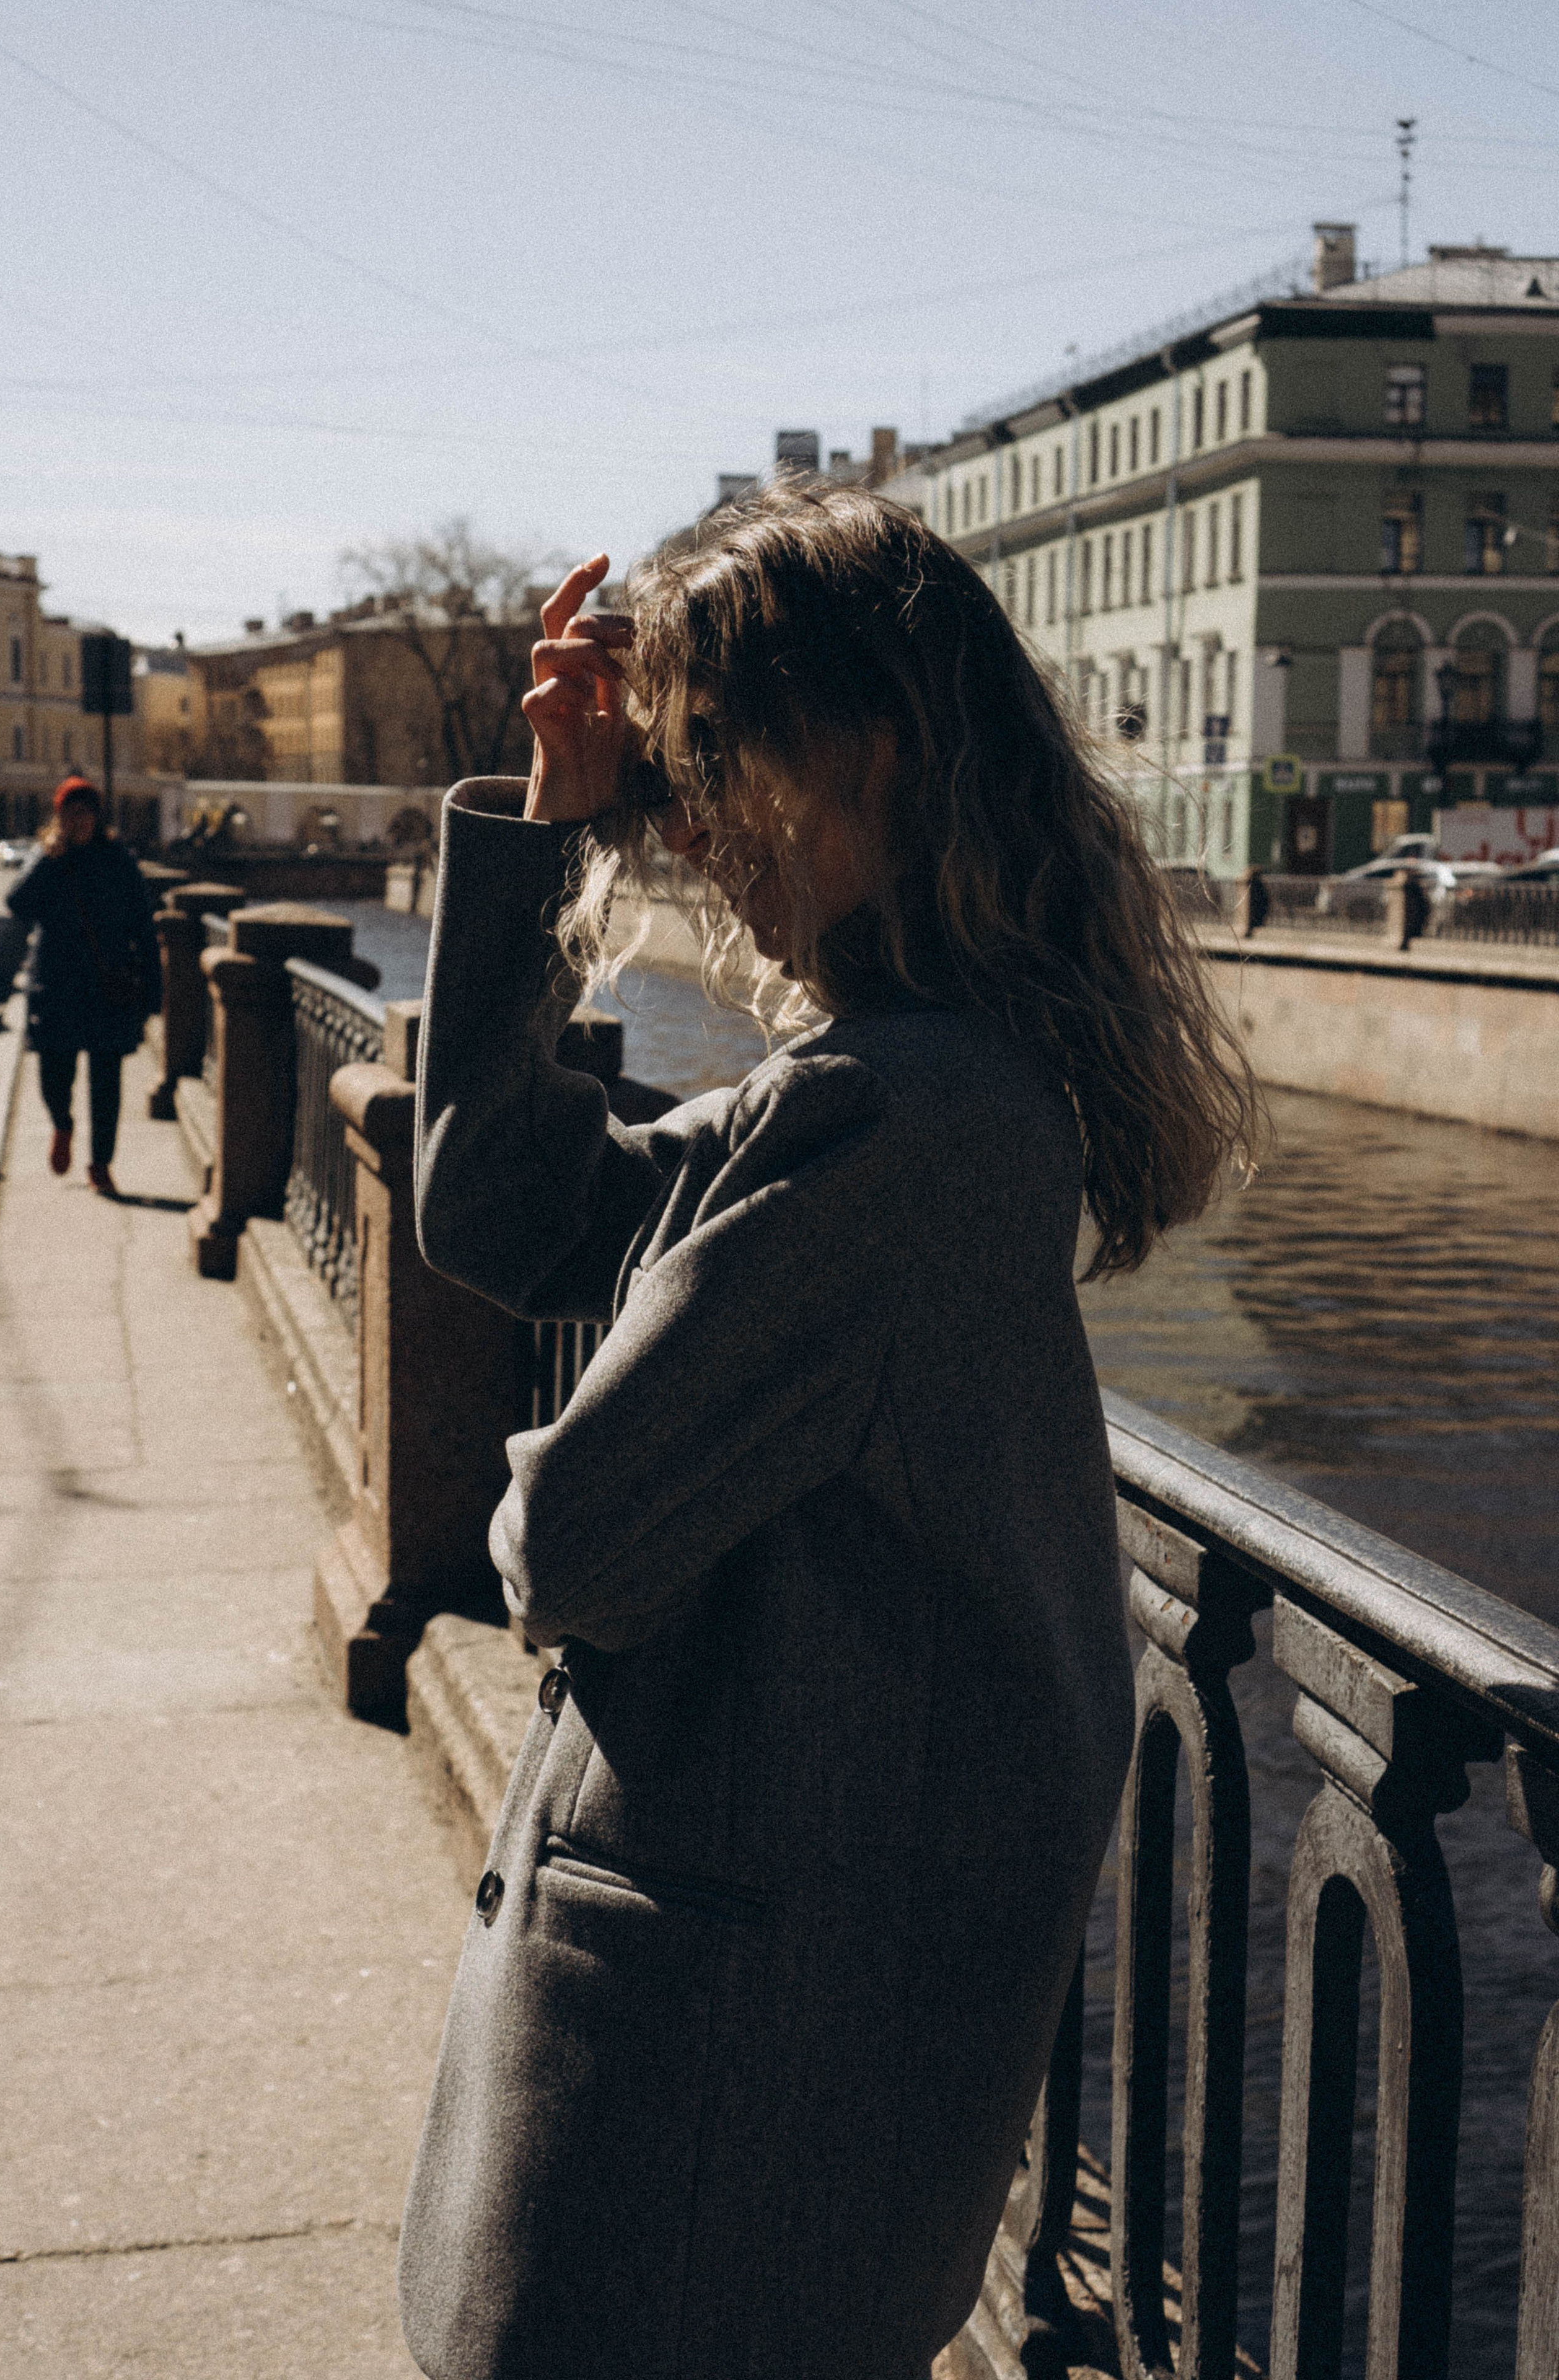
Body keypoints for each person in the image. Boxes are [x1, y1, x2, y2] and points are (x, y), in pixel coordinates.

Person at [400, 483, 1257, 2380]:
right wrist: (549, 828)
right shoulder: (916, 1080)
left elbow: (574, 1544)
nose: (687, 827)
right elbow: (510, 1212)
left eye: (713, 763)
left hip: (713, 2101)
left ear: (865, 744)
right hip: (773, 2052)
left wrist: (608, 1428)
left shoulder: (888, 1119)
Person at [7, 776, 162, 1198]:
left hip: (106, 987)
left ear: (98, 816)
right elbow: (16, 904)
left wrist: (154, 988)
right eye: (72, 812)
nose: (81, 819)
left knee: (106, 1084)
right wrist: (46, 858)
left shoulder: (118, 860)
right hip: (55, 987)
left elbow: (144, 927)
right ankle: (62, 1123)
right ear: (59, 817)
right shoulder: (49, 858)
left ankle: (101, 1164)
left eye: (87, 810)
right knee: (53, 1075)